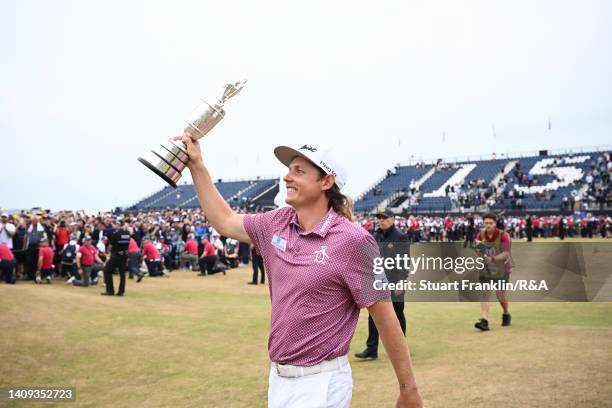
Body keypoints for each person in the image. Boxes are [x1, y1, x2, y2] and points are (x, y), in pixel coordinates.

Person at [176, 134, 422, 408]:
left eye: (299, 171)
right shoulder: (276, 222)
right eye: (289, 169)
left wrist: (407, 389)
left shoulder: (354, 241)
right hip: (279, 378)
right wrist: (197, 165)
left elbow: (385, 316)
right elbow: (225, 220)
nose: (287, 177)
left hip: (323, 382)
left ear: (326, 182)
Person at [355, 208, 409, 360]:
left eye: (385, 218)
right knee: (374, 315)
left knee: (397, 313)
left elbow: (404, 261)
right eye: (379, 218)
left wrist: (402, 282)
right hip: (377, 281)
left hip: (394, 280)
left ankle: (401, 347)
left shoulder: (400, 237)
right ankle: (372, 348)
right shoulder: (375, 236)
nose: (382, 220)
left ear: (392, 218)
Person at [474, 212, 513, 331]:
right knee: (485, 292)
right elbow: (477, 248)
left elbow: (506, 253)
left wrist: (492, 259)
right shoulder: (480, 235)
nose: (488, 225)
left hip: (502, 268)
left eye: (490, 223)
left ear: (495, 223)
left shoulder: (503, 235)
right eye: (486, 223)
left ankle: (506, 313)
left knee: (500, 296)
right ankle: (484, 320)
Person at [101, 220, 131, 296]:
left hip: (116, 255)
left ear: (118, 225)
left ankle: (110, 291)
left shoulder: (116, 234)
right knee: (122, 274)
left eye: (114, 224)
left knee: (107, 270)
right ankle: (121, 292)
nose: (113, 226)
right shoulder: (127, 234)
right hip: (124, 255)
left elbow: (110, 246)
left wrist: (108, 253)